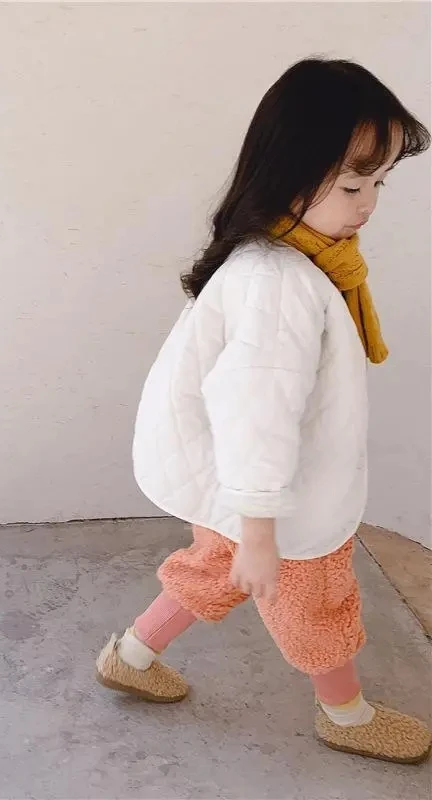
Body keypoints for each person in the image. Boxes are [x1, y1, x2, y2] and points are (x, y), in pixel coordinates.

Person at [95, 58, 431, 764]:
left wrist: (245, 528)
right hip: (273, 494)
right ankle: (346, 714)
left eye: (379, 182)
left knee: (214, 567)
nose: (369, 203)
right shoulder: (278, 284)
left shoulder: (294, 259)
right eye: (353, 184)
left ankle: (131, 655)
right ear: (288, 174)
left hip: (245, 484)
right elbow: (257, 412)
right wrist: (258, 528)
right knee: (317, 605)